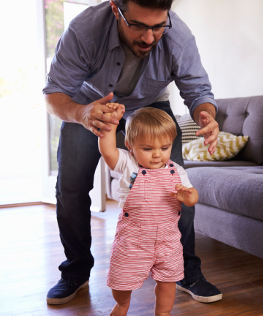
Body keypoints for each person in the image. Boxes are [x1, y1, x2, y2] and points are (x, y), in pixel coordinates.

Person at [43, 0, 221, 305]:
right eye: (138, 25)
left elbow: (199, 91)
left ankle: (186, 272)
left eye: (158, 26)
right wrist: (82, 113)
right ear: (116, 9)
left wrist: (206, 114)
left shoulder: (178, 36)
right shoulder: (85, 30)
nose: (150, 37)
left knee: (176, 187)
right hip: (88, 104)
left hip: (151, 104)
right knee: (70, 188)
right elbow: (54, 94)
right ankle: (75, 271)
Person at [100, 105, 197, 316]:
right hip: (133, 240)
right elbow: (107, 151)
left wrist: (189, 197)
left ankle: (163, 313)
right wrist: (109, 124)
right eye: (147, 148)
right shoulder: (128, 163)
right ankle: (122, 304)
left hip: (168, 240)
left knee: (168, 280)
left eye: (164, 147)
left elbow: (192, 196)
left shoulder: (176, 170)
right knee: (121, 282)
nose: (157, 155)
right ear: (130, 145)